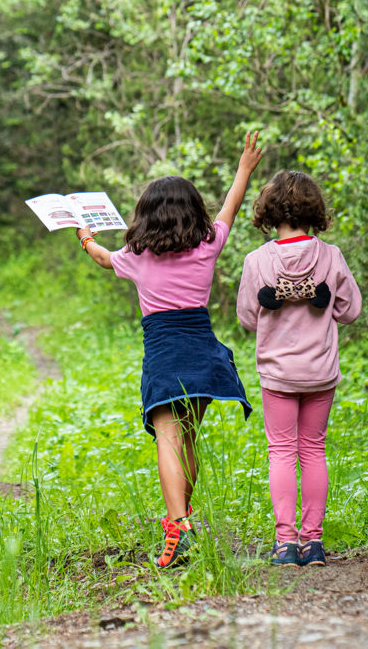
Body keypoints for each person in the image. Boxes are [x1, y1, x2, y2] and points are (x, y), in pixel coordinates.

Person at [77, 132, 264, 568]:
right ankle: (181, 519)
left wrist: (85, 238)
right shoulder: (208, 244)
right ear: (192, 211)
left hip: (164, 352)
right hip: (202, 352)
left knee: (168, 438)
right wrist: (244, 167)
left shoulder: (135, 255)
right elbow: (229, 209)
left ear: (146, 217)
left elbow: (104, 258)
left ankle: (179, 525)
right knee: (187, 439)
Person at [236, 170, 361, 568]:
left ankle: (286, 543)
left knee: (282, 452)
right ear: (315, 210)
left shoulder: (258, 260)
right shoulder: (331, 256)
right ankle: (314, 542)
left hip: (278, 374)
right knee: (313, 450)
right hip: (320, 372)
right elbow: (350, 310)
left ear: (269, 211)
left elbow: (248, 318)